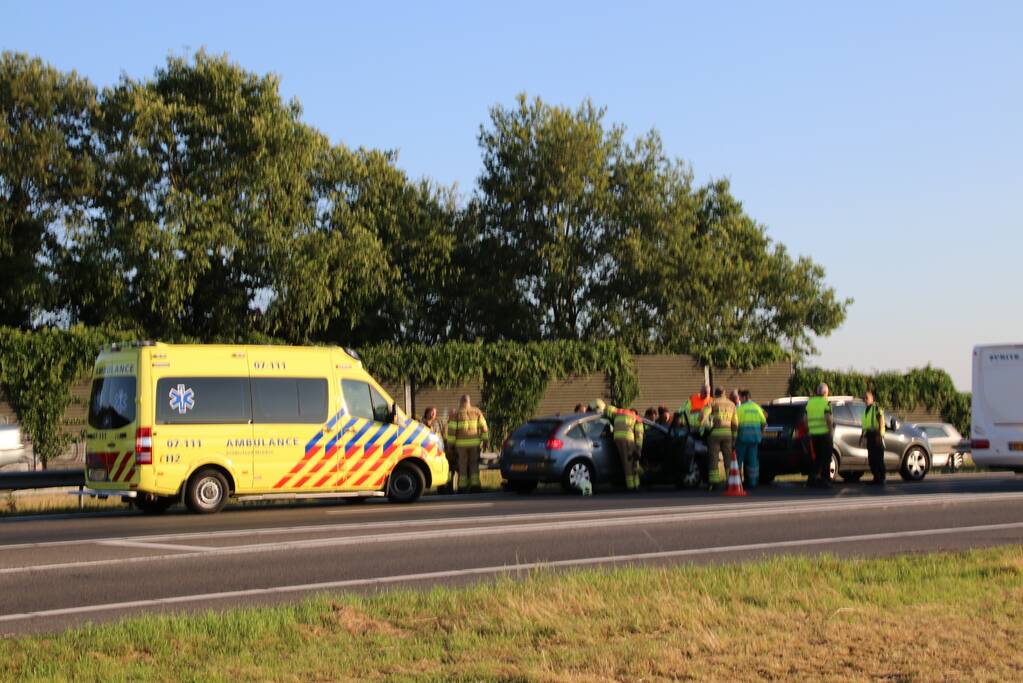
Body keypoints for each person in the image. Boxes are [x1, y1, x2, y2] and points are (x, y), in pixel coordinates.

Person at [589, 399, 644, 490]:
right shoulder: (637, 418)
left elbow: (606, 407)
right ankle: (632, 485)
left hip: (617, 439)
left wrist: (594, 406)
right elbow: (639, 436)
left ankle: (636, 483)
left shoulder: (620, 412)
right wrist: (638, 449)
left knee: (630, 462)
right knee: (629, 463)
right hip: (627, 440)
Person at [448, 394, 489, 493]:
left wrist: (450, 446)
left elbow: (452, 432)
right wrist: (485, 441)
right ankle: (475, 485)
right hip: (474, 444)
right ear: (469, 401)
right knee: (474, 464)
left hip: (461, 445)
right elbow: (484, 428)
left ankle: (463, 487)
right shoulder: (477, 412)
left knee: (462, 465)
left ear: (460, 402)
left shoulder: (456, 414)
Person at [699, 388, 738, 490]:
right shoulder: (732, 404)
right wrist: (734, 437)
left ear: (715, 394)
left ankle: (714, 483)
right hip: (728, 435)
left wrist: (705, 426)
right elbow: (735, 423)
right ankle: (731, 481)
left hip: (714, 434)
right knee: (728, 459)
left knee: (713, 458)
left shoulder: (712, 403)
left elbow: (702, 416)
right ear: (724, 394)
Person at [804, 383, 834, 488]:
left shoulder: (810, 403)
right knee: (826, 458)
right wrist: (830, 432)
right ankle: (825, 481)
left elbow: (805, 419)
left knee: (816, 459)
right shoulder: (826, 403)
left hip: (813, 435)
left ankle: (812, 480)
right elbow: (828, 419)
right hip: (824, 434)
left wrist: (809, 430)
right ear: (825, 392)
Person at [735, 389, 767, 487]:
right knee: (753, 462)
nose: (739, 400)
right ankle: (753, 482)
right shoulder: (757, 408)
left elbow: (735, 424)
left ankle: (736, 482)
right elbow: (764, 422)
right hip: (754, 439)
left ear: (744, 397)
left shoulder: (740, 409)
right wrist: (761, 434)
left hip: (742, 439)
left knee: (738, 461)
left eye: (740, 398)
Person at [859, 390, 887, 485]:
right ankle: (876, 477)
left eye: (867, 398)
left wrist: (879, 435)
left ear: (872, 399)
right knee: (871, 459)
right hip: (870, 437)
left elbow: (881, 421)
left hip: (877, 436)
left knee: (878, 459)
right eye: (864, 398)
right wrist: (861, 437)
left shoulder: (876, 408)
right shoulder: (866, 411)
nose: (865, 400)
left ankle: (882, 478)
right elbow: (865, 426)